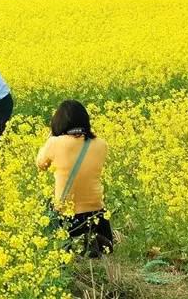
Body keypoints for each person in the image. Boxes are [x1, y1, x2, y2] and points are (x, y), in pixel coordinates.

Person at [36, 100, 114, 258]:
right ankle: (93, 243)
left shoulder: (54, 143)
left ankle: (66, 246)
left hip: (67, 218)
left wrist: (50, 138)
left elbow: (41, 165)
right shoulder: (101, 144)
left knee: (44, 205)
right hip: (97, 216)